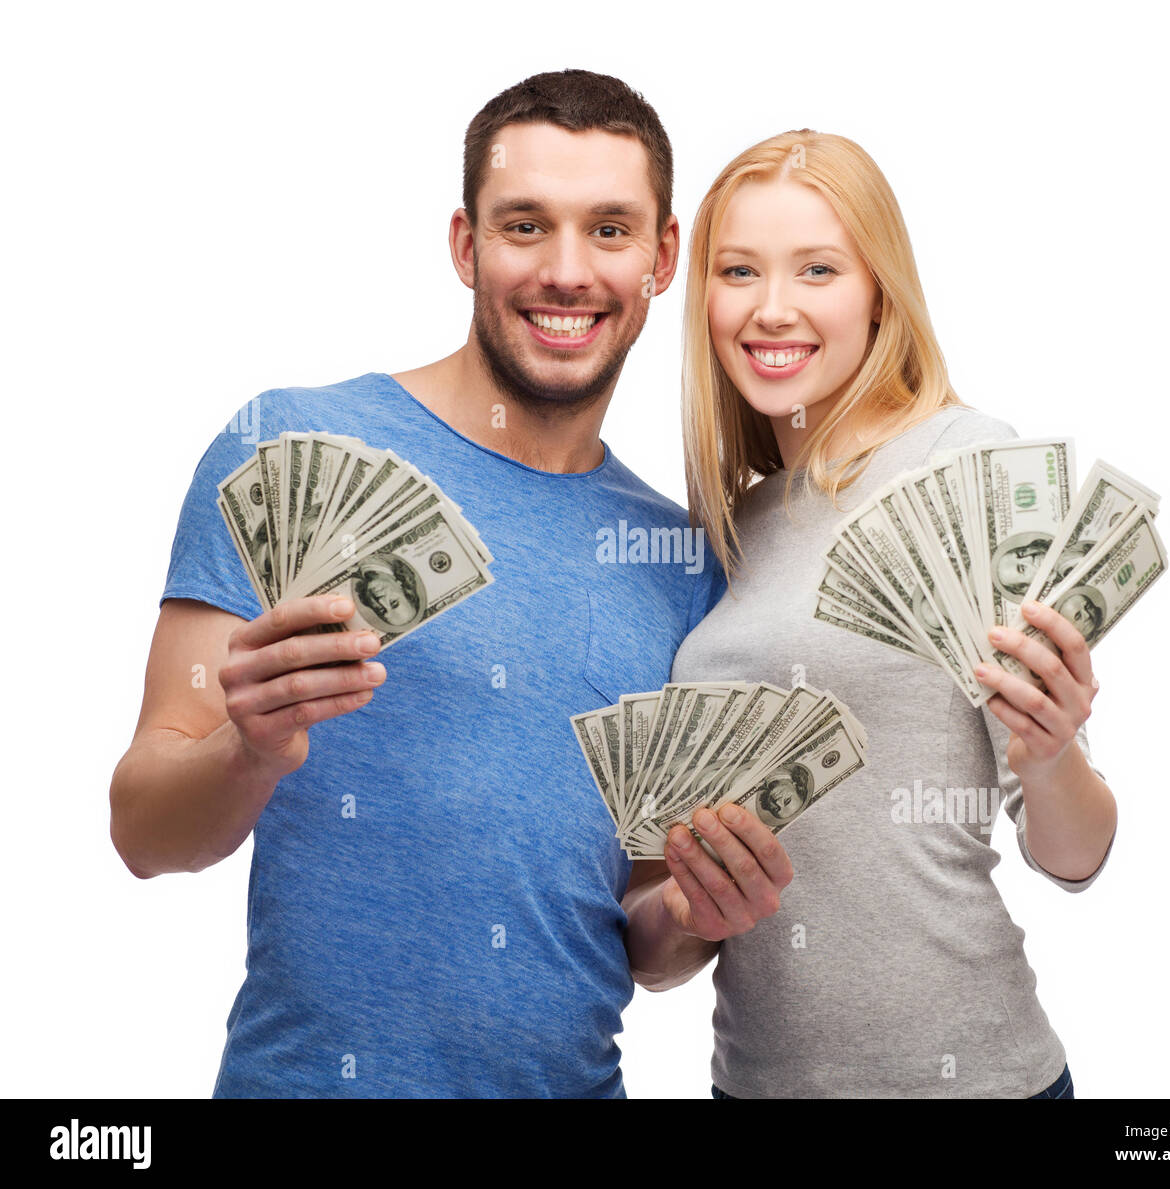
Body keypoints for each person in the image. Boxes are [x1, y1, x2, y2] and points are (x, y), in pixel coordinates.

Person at [108, 69, 791, 1099]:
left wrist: (700, 914)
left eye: (609, 231)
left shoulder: (682, 563)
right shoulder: (286, 445)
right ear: (467, 245)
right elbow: (143, 832)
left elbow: (643, 936)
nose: (567, 272)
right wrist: (248, 747)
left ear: (661, 259)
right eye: (527, 225)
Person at [628, 129, 1116, 1098]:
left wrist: (1055, 751)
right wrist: (691, 905)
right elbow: (658, 953)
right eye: (738, 271)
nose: (772, 308)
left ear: (878, 292)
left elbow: (1073, 858)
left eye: (817, 268)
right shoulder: (726, 531)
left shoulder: (967, 464)